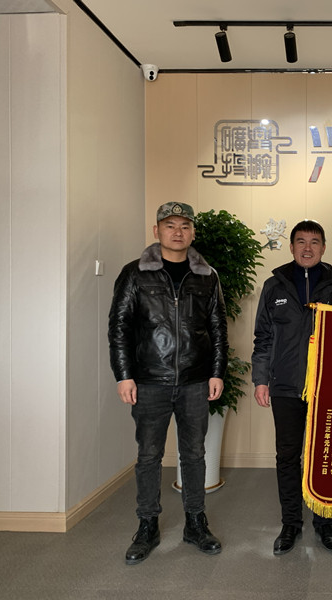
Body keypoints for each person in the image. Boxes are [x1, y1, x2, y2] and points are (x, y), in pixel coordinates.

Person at [108, 201, 228, 565]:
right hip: (149, 380)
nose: (178, 232)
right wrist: (124, 375)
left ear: (193, 232)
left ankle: (195, 522)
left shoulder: (207, 275)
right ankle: (147, 525)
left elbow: (218, 328)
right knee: (149, 455)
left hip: (195, 380)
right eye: (170, 225)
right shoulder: (135, 274)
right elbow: (119, 327)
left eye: (185, 226)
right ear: (156, 230)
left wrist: (217, 372)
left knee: (194, 454)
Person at [252, 220, 332, 555]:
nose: (307, 248)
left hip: (328, 388)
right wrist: (261, 379)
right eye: (301, 241)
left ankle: (325, 524)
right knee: (287, 456)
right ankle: (291, 524)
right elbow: (263, 338)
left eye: (314, 242)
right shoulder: (274, 286)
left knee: (325, 456)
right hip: (285, 386)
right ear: (292, 247)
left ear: (324, 247)